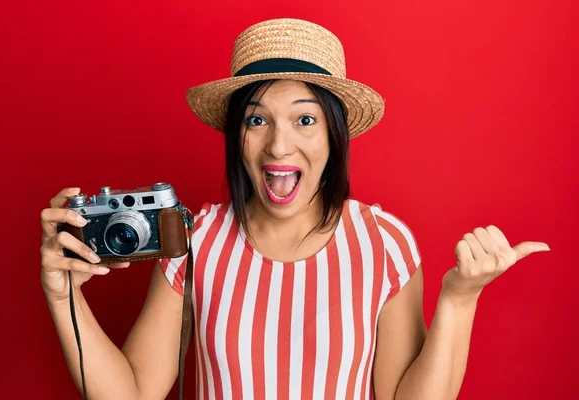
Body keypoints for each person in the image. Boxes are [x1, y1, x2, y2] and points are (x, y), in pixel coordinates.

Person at [40, 18, 550, 399]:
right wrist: (63, 296)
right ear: (237, 135)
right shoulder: (196, 242)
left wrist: (459, 301)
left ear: (334, 133)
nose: (279, 147)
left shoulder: (384, 243)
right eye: (257, 120)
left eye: (304, 120)